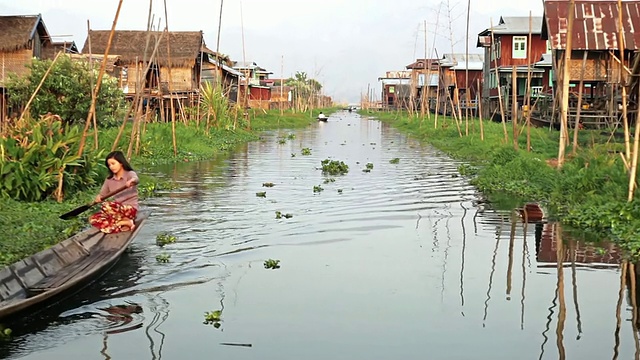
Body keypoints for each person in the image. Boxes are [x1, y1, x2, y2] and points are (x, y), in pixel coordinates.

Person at [89, 151, 139, 233]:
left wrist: (131, 181)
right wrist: (98, 198)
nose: (111, 167)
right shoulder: (109, 179)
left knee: (107, 205)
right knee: (93, 219)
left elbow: (136, 179)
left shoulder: (129, 174)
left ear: (121, 163)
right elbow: (102, 194)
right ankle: (122, 224)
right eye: (109, 165)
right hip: (117, 211)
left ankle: (124, 222)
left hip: (129, 209)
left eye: (113, 163)